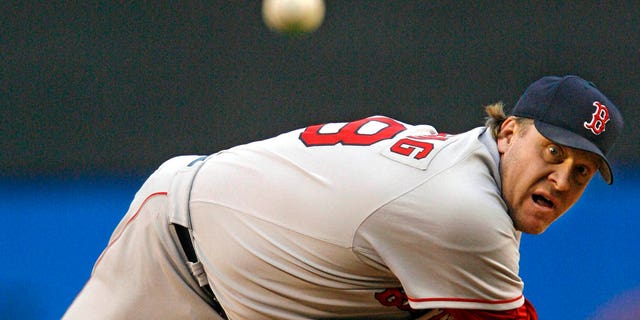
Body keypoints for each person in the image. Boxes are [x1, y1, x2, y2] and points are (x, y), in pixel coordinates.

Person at [63, 75, 623, 320]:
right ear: (507, 133)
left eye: (582, 171)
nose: (562, 179)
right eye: (553, 152)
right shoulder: (465, 211)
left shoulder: (465, 174)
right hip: (173, 264)